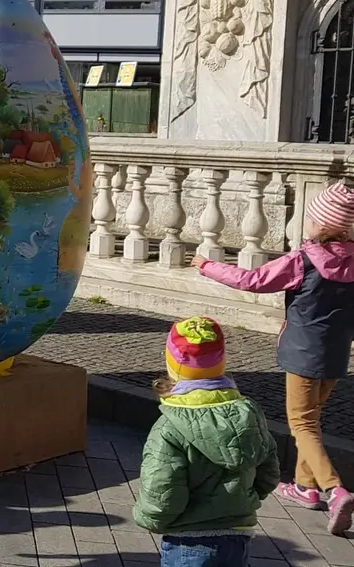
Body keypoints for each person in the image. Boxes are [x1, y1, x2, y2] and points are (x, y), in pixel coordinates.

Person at [194, 181, 354, 535]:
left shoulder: (305, 259)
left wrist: (208, 266)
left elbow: (253, 279)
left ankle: (335, 489)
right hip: (336, 356)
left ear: (319, 223)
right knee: (313, 420)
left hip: (302, 354)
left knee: (302, 424)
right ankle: (304, 487)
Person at [132, 316, 279, 566]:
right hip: (237, 535)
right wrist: (243, 499)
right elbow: (269, 472)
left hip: (188, 541)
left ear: (172, 364)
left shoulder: (169, 426)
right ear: (221, 361)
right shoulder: (249, 413)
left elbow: (162, 489)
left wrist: (148, 518)